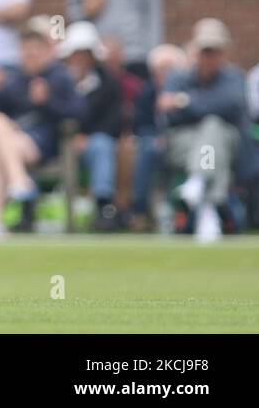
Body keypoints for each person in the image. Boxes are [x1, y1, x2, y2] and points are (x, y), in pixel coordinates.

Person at [0, 23, 82, 235]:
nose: (31, 55)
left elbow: (77, 113)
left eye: (36, 50)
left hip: (43, 143)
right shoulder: (13, 79)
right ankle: (13, 190)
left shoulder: (59, 77)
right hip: (14, 144)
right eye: (27, 50)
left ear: (47, 51)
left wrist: (46, 101)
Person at [160, 19, 248, 243]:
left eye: (214, 51)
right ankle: (209, 212)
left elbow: (231, 105)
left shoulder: (235, 78)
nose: (208, 57)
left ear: (223, 52)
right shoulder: (178, 76)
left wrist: (185, 102)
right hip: (183, 146)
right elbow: (168, 113)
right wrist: (202, 104)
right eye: (205, 51)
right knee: (212, 127)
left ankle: (199, 184)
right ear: (195, 51)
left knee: (213, 126)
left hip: (224, 146)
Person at [57, 22, 123, 231]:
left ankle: (104, 206)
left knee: (102, 145)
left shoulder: (109, 84)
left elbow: (114, 120)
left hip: (94, 142)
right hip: (58, 143)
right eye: (75, 54)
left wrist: (87, 136)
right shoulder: (57, 82)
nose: (80, 60)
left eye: (85, 54)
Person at [128, 43, 187, 231]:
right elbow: (140, 123)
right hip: (151, 142)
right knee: (148, 150)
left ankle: (183, 212)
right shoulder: (147, 92)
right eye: (160, 69)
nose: (165, 74)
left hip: (182, 143)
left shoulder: (186, 90)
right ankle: (140, 209)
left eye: (170, 69)